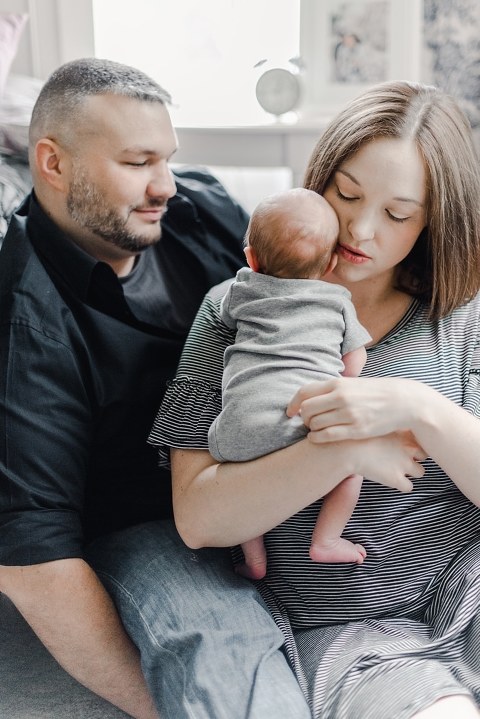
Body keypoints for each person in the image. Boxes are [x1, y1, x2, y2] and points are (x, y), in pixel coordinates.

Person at [149, 80, 480, 718]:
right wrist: (345, 451)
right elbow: (199, 518)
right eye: (346, 194)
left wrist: (419, 407)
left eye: (398, 214)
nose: (360, 228)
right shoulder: (233, 307)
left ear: (433, 221)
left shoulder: (462, 318)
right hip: (355, 631)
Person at [0, 58, 313, 719]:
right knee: (227, 653)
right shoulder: (27, 318)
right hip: (151, 527)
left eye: (167, 157)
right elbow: (32, 562)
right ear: (53, 164)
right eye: (138, 162)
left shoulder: (199, 208)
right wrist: (170, 704)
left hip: (264, 469)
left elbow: (296, 292)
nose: (165, 184)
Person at [208, 188, 370, 578]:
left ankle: (254, 559)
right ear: (331, 262)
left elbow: (226, 318)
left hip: (238, 427)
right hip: (302, 422)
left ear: (251, 258)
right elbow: (354, 361)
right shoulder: (337, 301)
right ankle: (326, 539)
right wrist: (341, 380)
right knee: (351, 469)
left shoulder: (241, 288)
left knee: (242, 487)